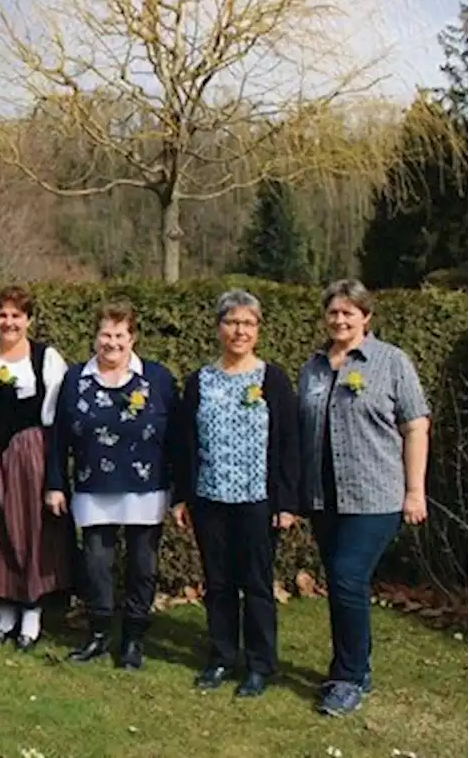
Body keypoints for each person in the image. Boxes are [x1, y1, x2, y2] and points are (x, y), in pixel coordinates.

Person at [297, 279, 429, 717]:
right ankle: (349, 665)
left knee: (348, 577)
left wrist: (415, 491)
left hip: (376, 496)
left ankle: (351, 678)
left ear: (365, 317)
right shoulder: (313, 367)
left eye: (348, 312)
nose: (339, 319)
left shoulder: (391, 362)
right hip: (324, 497)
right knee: (340, 583)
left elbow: (416, 427)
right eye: (333, 312)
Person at [170, 289, 301, 698]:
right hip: (210, 499)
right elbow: (183, 442)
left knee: (257, 584)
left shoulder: (272, 380)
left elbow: (289, 444)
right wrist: (181, 496)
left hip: (258, 501)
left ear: (258, 330)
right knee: (219, 582)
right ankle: (223, 655)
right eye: (231, 322)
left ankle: (261, 664)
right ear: (218, 328)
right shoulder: (200, 381)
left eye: (247, 323)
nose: (239, 331)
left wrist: (286, 502)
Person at [44, 301, 177, 670]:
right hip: (92, 486)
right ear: (95, 336)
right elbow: (58, 438)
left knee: (142, 567)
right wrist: (55, 483)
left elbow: (176, 438)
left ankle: (133, 638)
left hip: (146, 488)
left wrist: (179, 491)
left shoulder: (159, 379)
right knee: (96, 565)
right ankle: (99, 634)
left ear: (132, 338)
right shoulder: (75, 379)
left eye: (120, 335)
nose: (112, 342)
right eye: (106, 334)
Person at [0, 285, 71, 652]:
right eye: (2, 315)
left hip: (28, 453)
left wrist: (54, 472)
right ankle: (4, 614)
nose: (9, 322)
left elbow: (58, 419)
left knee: (30, 531)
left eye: (16, 316)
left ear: (29, 320)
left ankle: (32, 612)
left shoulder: (46, 359)